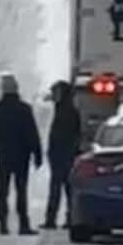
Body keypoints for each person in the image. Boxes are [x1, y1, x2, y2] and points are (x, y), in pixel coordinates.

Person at [0, 72, 42, 235]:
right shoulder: (24, 109)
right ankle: (23, 224)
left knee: (3, 190)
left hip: (4, 155)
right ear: (17, 90)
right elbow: (32, 133)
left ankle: (2, 223)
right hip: (22, 156)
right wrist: (37, 154)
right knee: (21, 190)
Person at [43, 80, 81, 229]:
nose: (53, 96)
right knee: (65, 189)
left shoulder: (67, 112)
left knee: (60, 188)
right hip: (63, 155)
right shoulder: (65, 110)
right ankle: (67, 218)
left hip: (64, 156)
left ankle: (56, 219)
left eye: (55, 93)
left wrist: (61, 153)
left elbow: (68, 136)